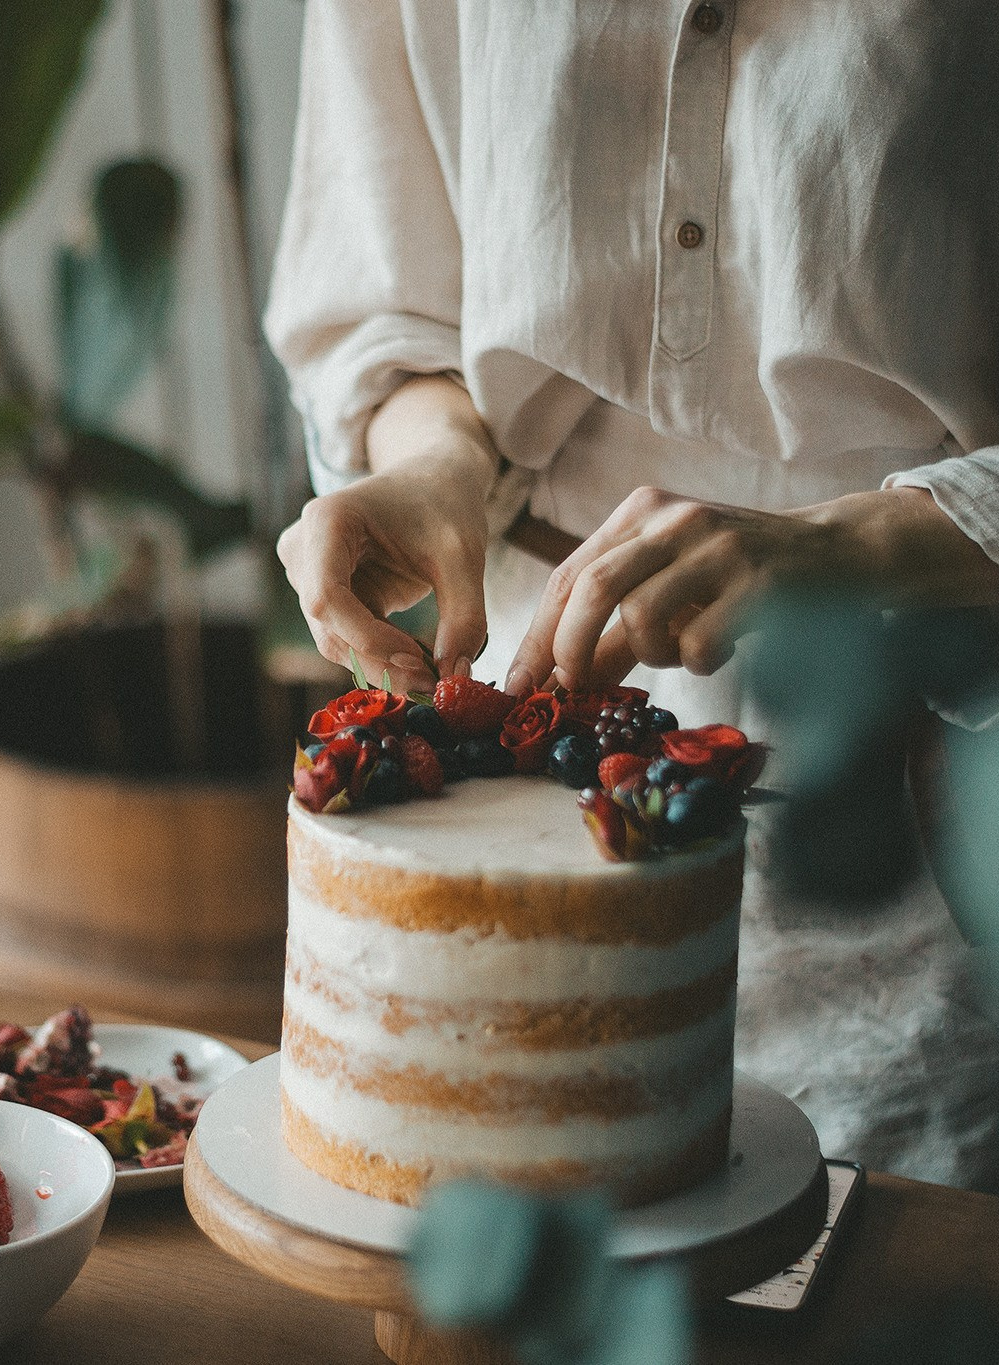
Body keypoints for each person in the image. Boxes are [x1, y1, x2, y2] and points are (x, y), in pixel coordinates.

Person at [264, 2, 999, 1190]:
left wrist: (864, 536)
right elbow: (380, 290)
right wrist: (435, 462)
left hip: (941, 775)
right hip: (525, 705)